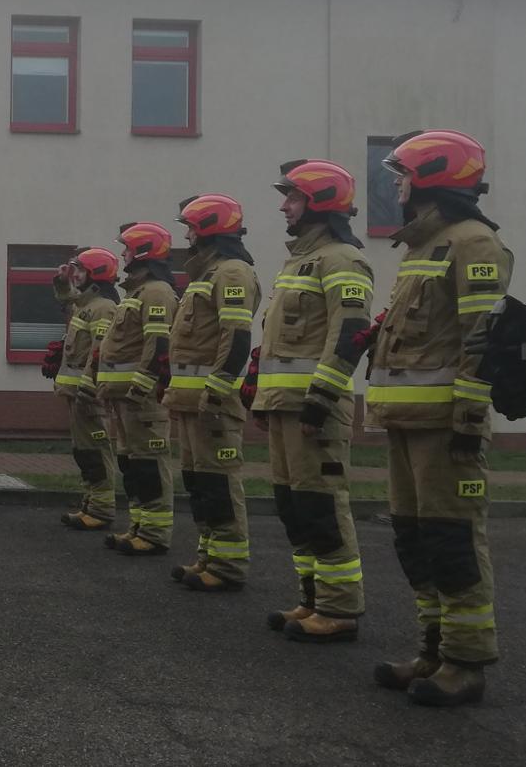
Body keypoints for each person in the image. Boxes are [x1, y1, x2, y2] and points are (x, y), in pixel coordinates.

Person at [364, 130, 514, 706]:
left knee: (453, 542)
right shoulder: (423, 248)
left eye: (402, 174)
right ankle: (432, 650)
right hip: (407, 422)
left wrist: (470, 421)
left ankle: (465, 662)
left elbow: (484, 340)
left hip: (447, 427)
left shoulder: (473, 244)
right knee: (415, 540)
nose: (396, 184)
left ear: (431, 179)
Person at [254, 158, 375, 643]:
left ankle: (339, 608)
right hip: (287, 404)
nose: (284, 206)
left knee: (322, 506)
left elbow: (349, 335)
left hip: (313, 410)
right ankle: (312, 598)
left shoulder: (342, 260)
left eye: (294, 198)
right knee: (294, 504)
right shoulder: (300, 261)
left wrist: (320, 399)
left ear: (320, 203)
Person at [164, 195, 260, 591]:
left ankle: (228, 565)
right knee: (200, 482)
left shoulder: (232, 273)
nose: (186, 235)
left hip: (212, 403)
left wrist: (218, 391)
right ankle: (209, 555)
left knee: (219, 483)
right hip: (191, 402)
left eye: (190, 228)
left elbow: (235, 337)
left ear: (207, 230)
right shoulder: (206, 275)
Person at [91, 225, 181, 554]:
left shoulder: (156, 292)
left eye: (127, 249)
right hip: (126, 398)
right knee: (133, 465)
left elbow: (158, 344)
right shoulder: (138, 292)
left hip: (141, 398)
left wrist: (141, 388)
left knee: (149, 465)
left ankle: (155, 534)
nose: (123, 255)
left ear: (142, 252)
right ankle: (140, 526)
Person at [53, 249, 122, 530]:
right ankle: (92, 503)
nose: (76, 274)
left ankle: (102, 508)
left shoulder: (103, 307)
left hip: (88, 394)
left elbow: (100, 351)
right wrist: (61, 281)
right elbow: (68, 298)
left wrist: (89, 386)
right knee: (84, 450)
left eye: (81, 270)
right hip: (77, 395)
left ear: (97, 275)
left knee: (96, 450)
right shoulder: (87, 303)